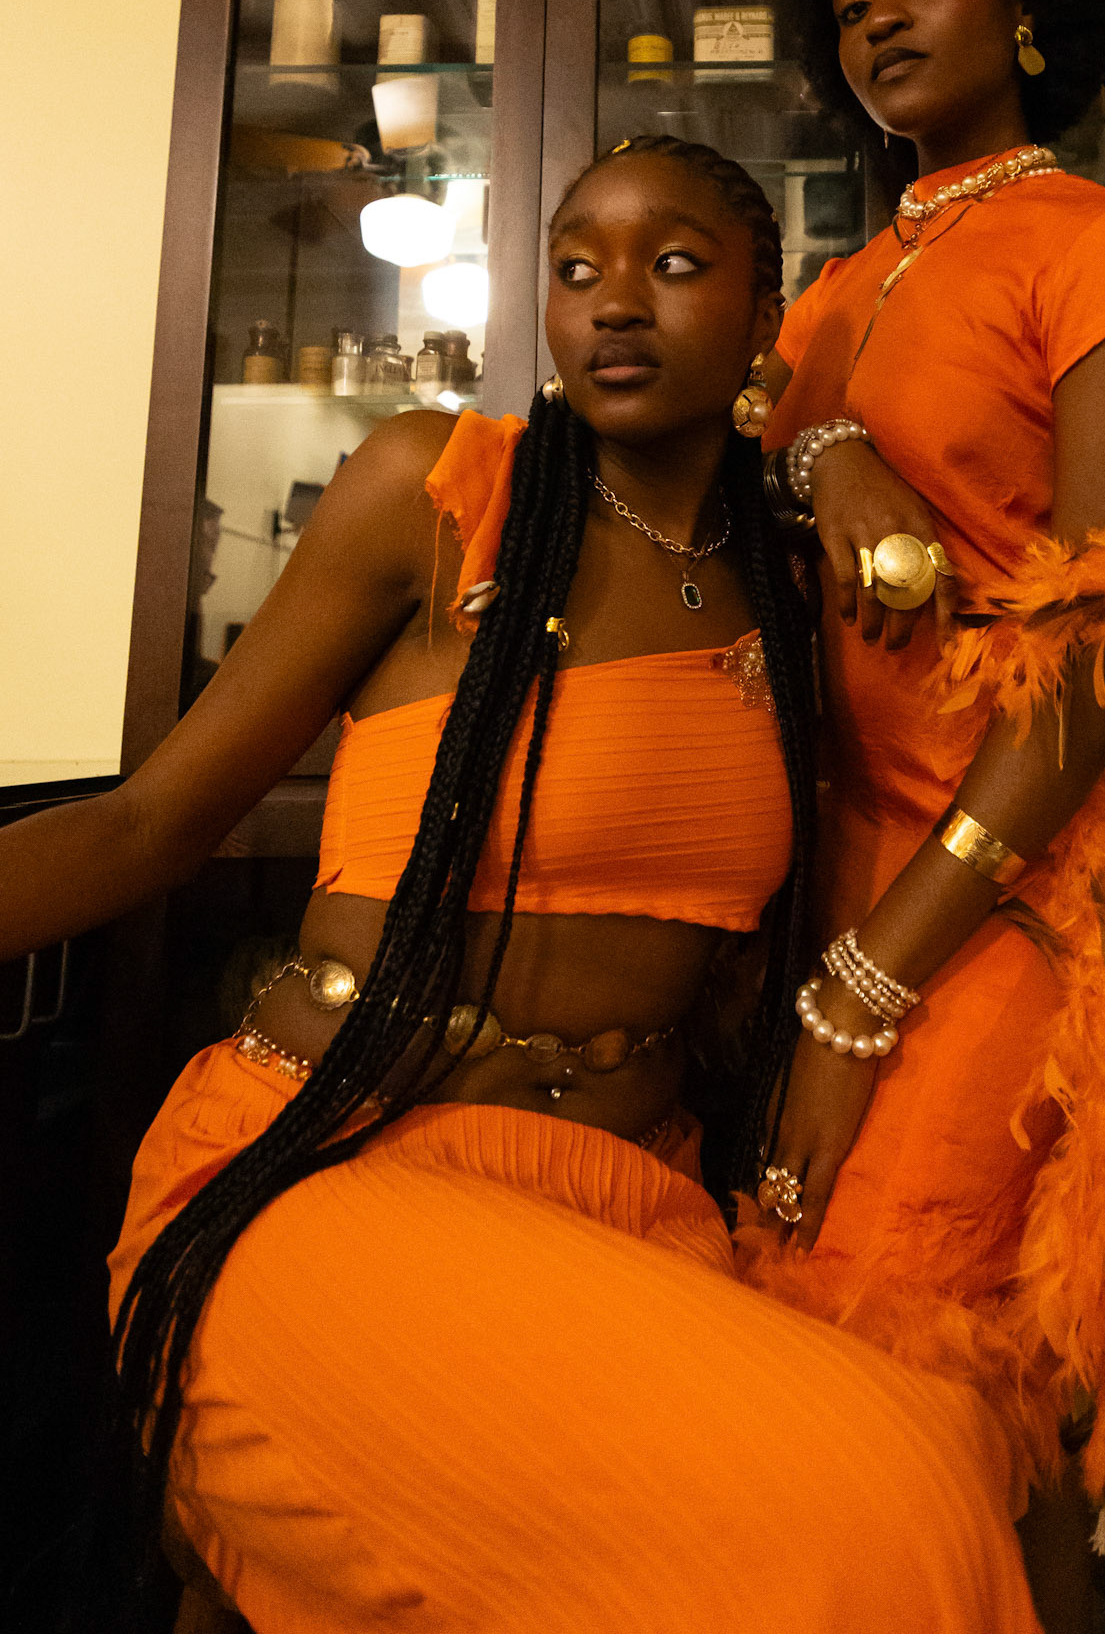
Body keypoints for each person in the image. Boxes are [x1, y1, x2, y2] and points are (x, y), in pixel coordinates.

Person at [0, 137, 1045, 1632]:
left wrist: (837, 452)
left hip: (626, 1201)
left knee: (934, 1459)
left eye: (673, 265)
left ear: (766, 321)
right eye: (575, 267)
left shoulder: (792, 573)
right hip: (328, 1169)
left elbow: (1046, 697)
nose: (614, 302)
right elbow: (147, 822)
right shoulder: (439, 497)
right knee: (878, 1514)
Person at [737, 0, 1105, 1584]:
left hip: (1007, 873)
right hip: (822, 860)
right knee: (804, 1337)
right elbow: (741, 475)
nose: (875, 10)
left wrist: (873, 976)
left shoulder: (1099, 238)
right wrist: (826, 460)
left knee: (927, 1341)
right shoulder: (826, 292)